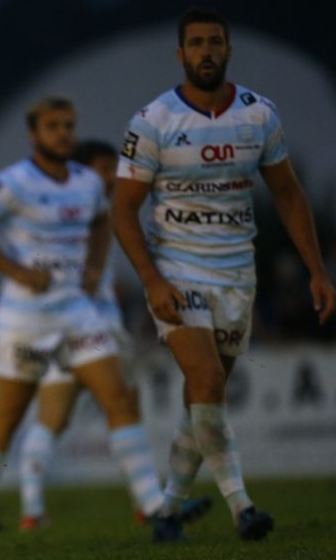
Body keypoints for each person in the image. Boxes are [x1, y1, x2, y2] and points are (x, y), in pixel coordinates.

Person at [112, 7, 336, 541]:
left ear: (228, 49)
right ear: (181, 54)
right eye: (196, 43)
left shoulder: (259, 115)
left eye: (215, 42)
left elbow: (287, 193)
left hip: (237, 273)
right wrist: (152, 280)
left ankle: (167, 509)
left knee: (202, 398)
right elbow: (122, 210)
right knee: (208, 380)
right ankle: (242, 507)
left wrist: (317, 271)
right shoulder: (154, 121)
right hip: (176, 269)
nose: (206, 51)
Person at [0, 97, 171, 537]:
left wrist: (92, 270)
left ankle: (158, 510)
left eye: (68, 125)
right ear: (34, 135)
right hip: (24, 320)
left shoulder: (88, 182)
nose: (63, 134)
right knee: (11, 413)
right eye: (53, 127)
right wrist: (13, 270)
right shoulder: (14, 182)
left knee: (119, 397)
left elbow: (103, 221)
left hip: (76, 313)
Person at [15, 140, 210, 529]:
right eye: (105, 168)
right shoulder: (83, 208)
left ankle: (33, 510)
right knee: (120, 406)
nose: (112, 175)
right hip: (87, 327)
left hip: (67, 327)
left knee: (54, 419)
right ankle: (154, 506)